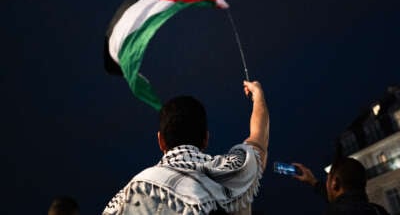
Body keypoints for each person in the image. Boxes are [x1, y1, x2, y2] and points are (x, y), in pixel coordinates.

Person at [103, 80, 270, 215]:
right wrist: (258, 95)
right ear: (206, 139)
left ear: (161, 141)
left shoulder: (130, 193)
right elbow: (258, 140)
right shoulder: (228, 173)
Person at [292, 157, 390, 215]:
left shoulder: (335, 212)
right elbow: (345, 199)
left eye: (327, 179)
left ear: (334, 183)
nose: (327, 185)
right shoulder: (378, 211)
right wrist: (313, 181)